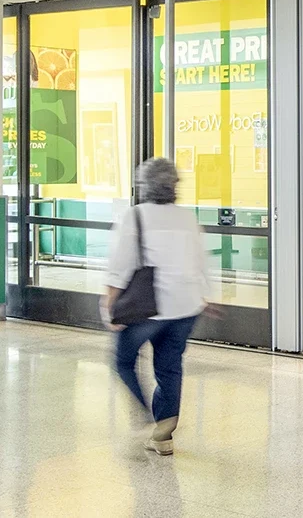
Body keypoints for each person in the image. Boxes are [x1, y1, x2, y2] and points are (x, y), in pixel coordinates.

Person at [103, 157, 210, 457]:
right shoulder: (188, 217)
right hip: (186, 307)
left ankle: (146, 414)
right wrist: (206, 294)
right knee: (169, 366)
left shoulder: (135, 216)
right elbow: (201, 260)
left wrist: (110, 301)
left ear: (144, 185)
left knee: (123, 360)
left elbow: (121, 264)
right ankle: (164, 432)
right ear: (174, 185)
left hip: (146, 308)